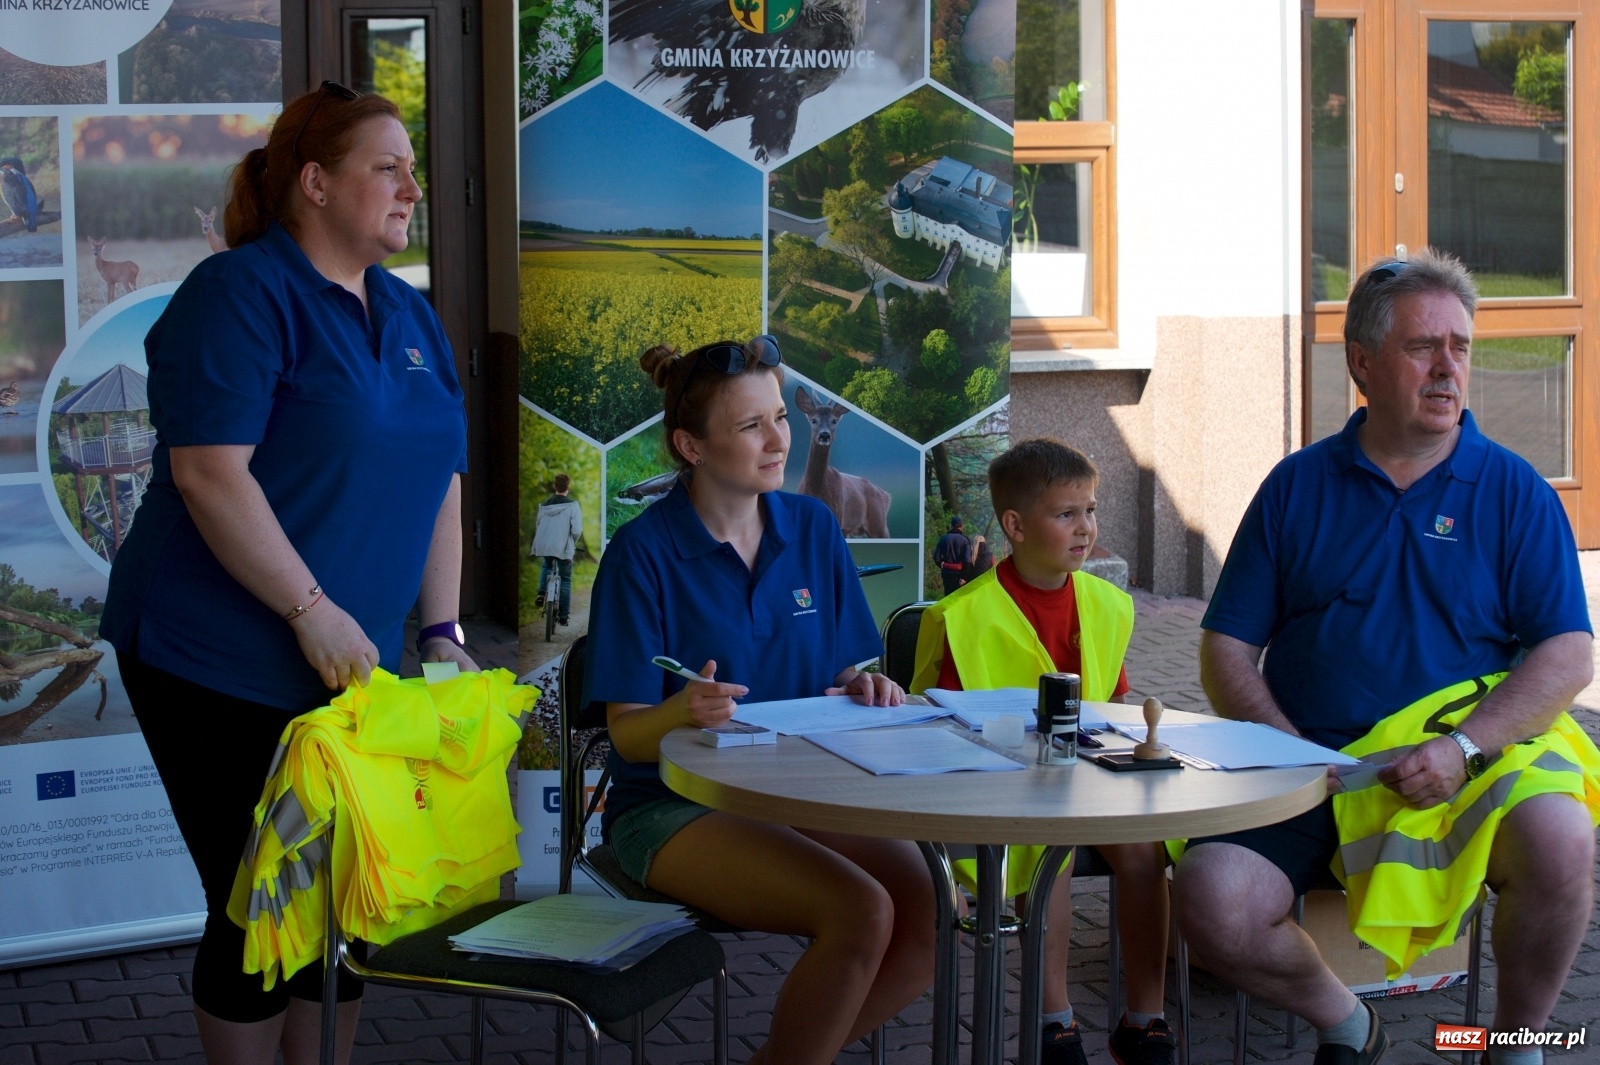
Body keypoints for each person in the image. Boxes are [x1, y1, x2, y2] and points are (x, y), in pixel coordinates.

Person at [101, 82, 476, 1065]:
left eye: (412, 169)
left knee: (346, 901)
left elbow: (442, 478)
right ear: (314, 182)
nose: (412, 188)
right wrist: (310, 608)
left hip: (351, 671)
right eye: (387, 168)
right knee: (262, 905)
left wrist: (442, 631)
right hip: (216, 655)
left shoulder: (409, 313)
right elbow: (209, 474)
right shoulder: (237, 295)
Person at [1177, 248, 1599, 1065]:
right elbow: (1226, 645)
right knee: (1212, 897)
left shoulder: (1514, 491)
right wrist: (1288, 751)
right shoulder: (1297, 485)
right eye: (1421, 347)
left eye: (1460, 347)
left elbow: (1568, 653)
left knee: (1561, 836)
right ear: (1363, 363)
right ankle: (1348, 1025)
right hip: (1316, 771)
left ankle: (1514, 1046)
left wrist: (1465, 747)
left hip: (1461, 765)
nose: (1448, 368)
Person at [584, 335, 935, 1065]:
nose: (779, 440)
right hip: (672, 807)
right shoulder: (638, 554)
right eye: (751, 426)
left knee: (933, 906)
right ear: (691, 446)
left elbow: (841, 671)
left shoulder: (814, 526)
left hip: (803, 793)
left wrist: (862, 684)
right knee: (863, 910)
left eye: (780, 416)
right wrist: (680, 711)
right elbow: (628, 738)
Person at [911, 439, 1175, 1065]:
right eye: (1066, 514)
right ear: (1016, 525)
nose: (1086, 528)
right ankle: (1053, 1020)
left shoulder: (1109, 605)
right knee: (1047, 852)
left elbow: (1113, 704)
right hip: (1005, 784)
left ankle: (1146, 1020)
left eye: (1090, 511)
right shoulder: (961, 615)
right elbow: (936, 724)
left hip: (1088, 775)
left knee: (1146, 847)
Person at [530, 471, 582, 625]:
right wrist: (572, 542)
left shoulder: (544, 505)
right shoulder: (573, 505)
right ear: (568, 487)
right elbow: (576, 530)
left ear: (555, 486)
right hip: (563, 547)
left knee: (546, 566)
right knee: (565, 579)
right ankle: (564, 617)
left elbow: (538, 525)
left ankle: (541, 593)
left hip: (546, 545)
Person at [932, 514, 970, 595]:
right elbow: (967, 560)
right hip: (959, 576)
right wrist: (964, 577)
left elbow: (936, 557)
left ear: (951, 526)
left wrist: (943, 565)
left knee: (948, 596)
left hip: (947, 575)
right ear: (961, 526)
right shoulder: (965, 540)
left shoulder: (943, 539)